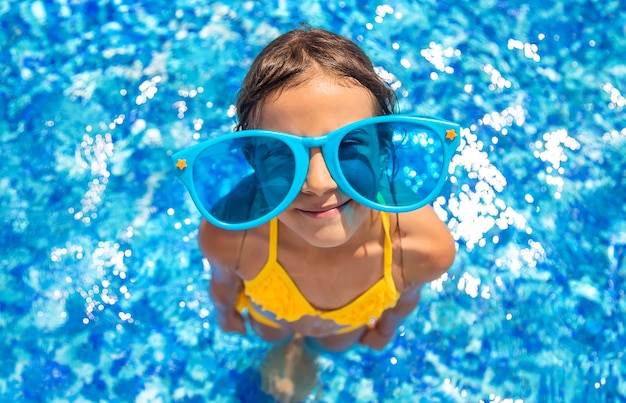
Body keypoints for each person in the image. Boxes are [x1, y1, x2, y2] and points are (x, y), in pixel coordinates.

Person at [173, 27, 459, 402]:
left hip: (342, 328)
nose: (319, 183)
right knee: (271, 333)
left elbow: (407, 298)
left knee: (336, 344)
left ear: (383, 150)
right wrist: (226, 313)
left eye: (350, 145)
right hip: (271, 317)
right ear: (254, 162)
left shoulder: (421, 249)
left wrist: (386, 329)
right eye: (280, 153)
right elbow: (224, 283)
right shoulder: (231, 238)